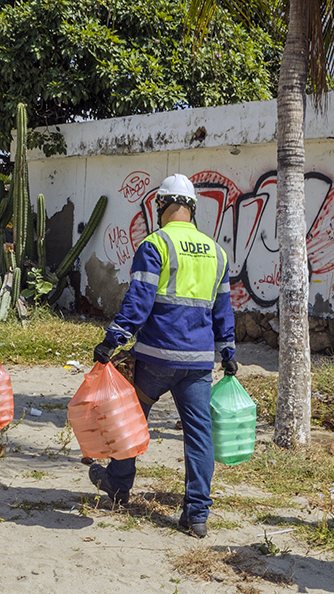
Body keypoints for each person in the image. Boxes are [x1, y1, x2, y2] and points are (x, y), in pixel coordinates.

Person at [90, 173, 236, 539]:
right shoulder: (216, 252)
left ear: (162, 206)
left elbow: (139, 301)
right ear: (192, 209)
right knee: (199, 435)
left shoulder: (156, 244)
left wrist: (112, 341)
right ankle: (197, 515)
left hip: (156, 359)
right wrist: (229, 350)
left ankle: (119, 485)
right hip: (198, 363)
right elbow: (223, 308)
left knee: (131, 418)